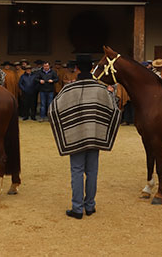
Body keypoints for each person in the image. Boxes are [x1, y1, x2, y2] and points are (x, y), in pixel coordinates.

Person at [48, 54, 121, 219]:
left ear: (77, 68)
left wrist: (69, 123)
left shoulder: (69, 89)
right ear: (92, 67)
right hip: (95, 136)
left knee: (77, 170)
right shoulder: (100, 88)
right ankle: (90, 206)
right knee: (92, 171)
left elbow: (53, 109)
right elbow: (114, 109)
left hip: (76, 136)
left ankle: (77, 208)